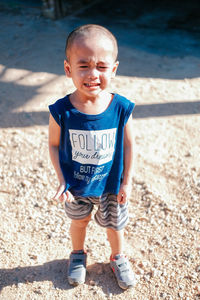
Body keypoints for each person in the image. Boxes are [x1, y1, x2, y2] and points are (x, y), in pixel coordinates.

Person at [48, 24, 135, 290]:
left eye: (101, 66)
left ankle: (118, 257)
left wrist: (127, 181)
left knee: (115, 226)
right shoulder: (61, 111)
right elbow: (53, 145)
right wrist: (62, 180)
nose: (92, 74)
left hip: (110, 184)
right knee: (79, 221)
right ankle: (77, 254)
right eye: (83, 65)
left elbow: (130, 145)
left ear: (114, 69)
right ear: (68, 69)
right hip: (77, 185)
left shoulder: (120, 107)